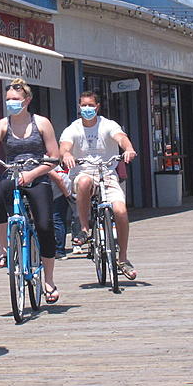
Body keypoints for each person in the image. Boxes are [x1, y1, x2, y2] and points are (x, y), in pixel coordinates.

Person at [0, 78, 61, 304]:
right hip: (11, 172)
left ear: (27, 100)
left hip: (37, 173)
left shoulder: (41, 123)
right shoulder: (2, 124)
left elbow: (54, 156)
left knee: (44, 225)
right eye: (8, 100)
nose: (11, 103)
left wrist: (33, 174)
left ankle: (49, 279)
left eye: (16, 100)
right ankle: (3, 247)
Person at [59, 90, 138, 280]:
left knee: (120, 211)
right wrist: (67, 154)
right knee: (85, 182)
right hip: (83, 172)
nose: (87, 109)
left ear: (97, 107)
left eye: (90, 105)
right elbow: (65, 145)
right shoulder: (73, 128)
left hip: (107, 173)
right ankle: (85, 228)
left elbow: (120, 137)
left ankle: (124, 258)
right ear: (79, 107)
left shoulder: (108, 125)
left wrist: (128, 149)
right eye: (83, 105)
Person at [49, 165, 72, 259]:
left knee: (57, 220)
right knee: (59, 220)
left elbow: (59, 180)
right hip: (62, 192)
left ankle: (60, 250)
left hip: (60, 193)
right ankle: (58, 249)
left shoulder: (45, 161)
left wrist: (67, 195)